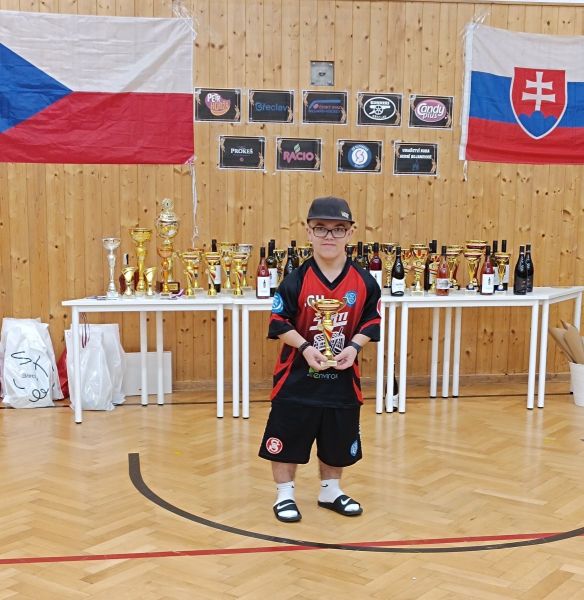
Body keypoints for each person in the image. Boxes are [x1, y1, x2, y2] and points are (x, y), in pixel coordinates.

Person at [258, 196, 381, 523]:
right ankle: (285, 495)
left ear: (351, 233)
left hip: (342, 379)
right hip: (296, 379)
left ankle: (330, 490)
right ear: (308, 232)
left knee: (337, 439)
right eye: (321, 228)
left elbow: (372, 320)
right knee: (287, 436)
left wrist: (353, 347)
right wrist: (304, 347)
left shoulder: (364, 282)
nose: (329, 235)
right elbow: (278, 321)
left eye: (338, 229)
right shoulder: (295, 280)